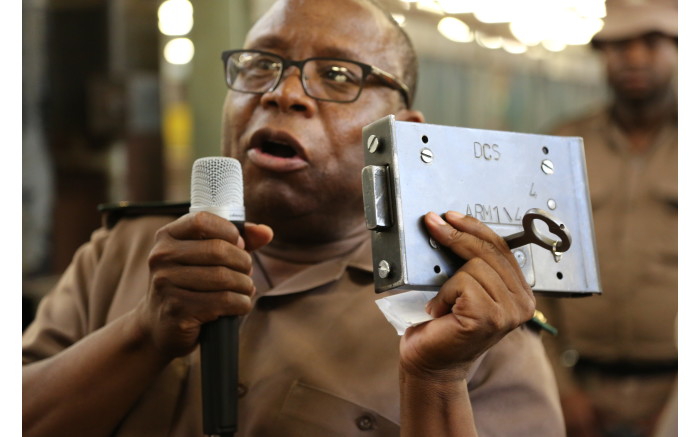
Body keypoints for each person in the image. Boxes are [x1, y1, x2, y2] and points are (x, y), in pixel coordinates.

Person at [22, 0, 565, 436]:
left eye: (336, 75)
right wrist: (145, 330)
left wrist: (438, 379)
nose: (282, 93)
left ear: (400, 132)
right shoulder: (121, 253)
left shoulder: (470, 316)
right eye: (261, 65)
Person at [537, 1, 678, 436]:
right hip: (581, 391)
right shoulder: (562, 145)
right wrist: (556, 386)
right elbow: (535, 274)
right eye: (618, 45)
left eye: (651, 42)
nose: (633, 58)